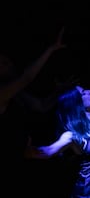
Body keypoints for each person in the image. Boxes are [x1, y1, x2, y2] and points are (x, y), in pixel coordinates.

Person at [25, 30, 90, 198]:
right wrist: (29, 150)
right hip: (88, 194)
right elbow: (48, 151)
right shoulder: (73, 135)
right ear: (76, 104)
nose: (89, 91)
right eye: (83, 93)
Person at [0, 27, 66, 196]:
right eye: (3, 64)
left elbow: (42, 106)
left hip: (23, 159)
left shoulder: (18, 96)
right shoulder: (2, 94)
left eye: (8, 61)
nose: (9, 65)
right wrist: (51, 49)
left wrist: (59, 90)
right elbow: (26, 78)